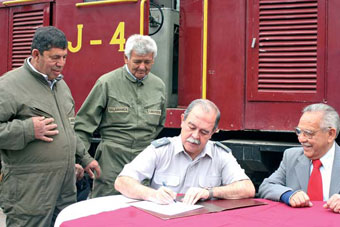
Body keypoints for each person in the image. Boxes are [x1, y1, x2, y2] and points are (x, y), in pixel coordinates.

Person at [0, 26, 101, 227]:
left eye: (64, 57)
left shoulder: (61, 86)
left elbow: (68, 130)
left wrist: (85, 158)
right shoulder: (9, 85)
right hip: (30, 190)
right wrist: (27, 129)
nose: (61, 64)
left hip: (64, 189)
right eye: (55, 58)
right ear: (36, 54)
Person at [75, 34, 166, 197]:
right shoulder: (107, 83)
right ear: (126, 58)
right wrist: (81, 159)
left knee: (141, 209)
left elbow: (159, 124)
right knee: (105, 210)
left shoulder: (158, 86)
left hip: (144, 161)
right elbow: (83, 125)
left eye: (148, 62)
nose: (142, 67)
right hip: (110, 162)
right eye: (137, 62)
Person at [115, 99, 255, 205]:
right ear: (182, 120)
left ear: (213, 132)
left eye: (204, 132)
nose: (195, 136)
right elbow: (122, 181)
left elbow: (247, 188)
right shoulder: (161, 150)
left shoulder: (220, 155)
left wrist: (210, 192)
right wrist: (152, 194)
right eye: (191, 127)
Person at [258, 103, 340, 213]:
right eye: (299, 131)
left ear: (330, 134)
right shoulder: (291, 156)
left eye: (308, 133)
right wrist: (288, 195)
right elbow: (266, 186)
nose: (301, 139)